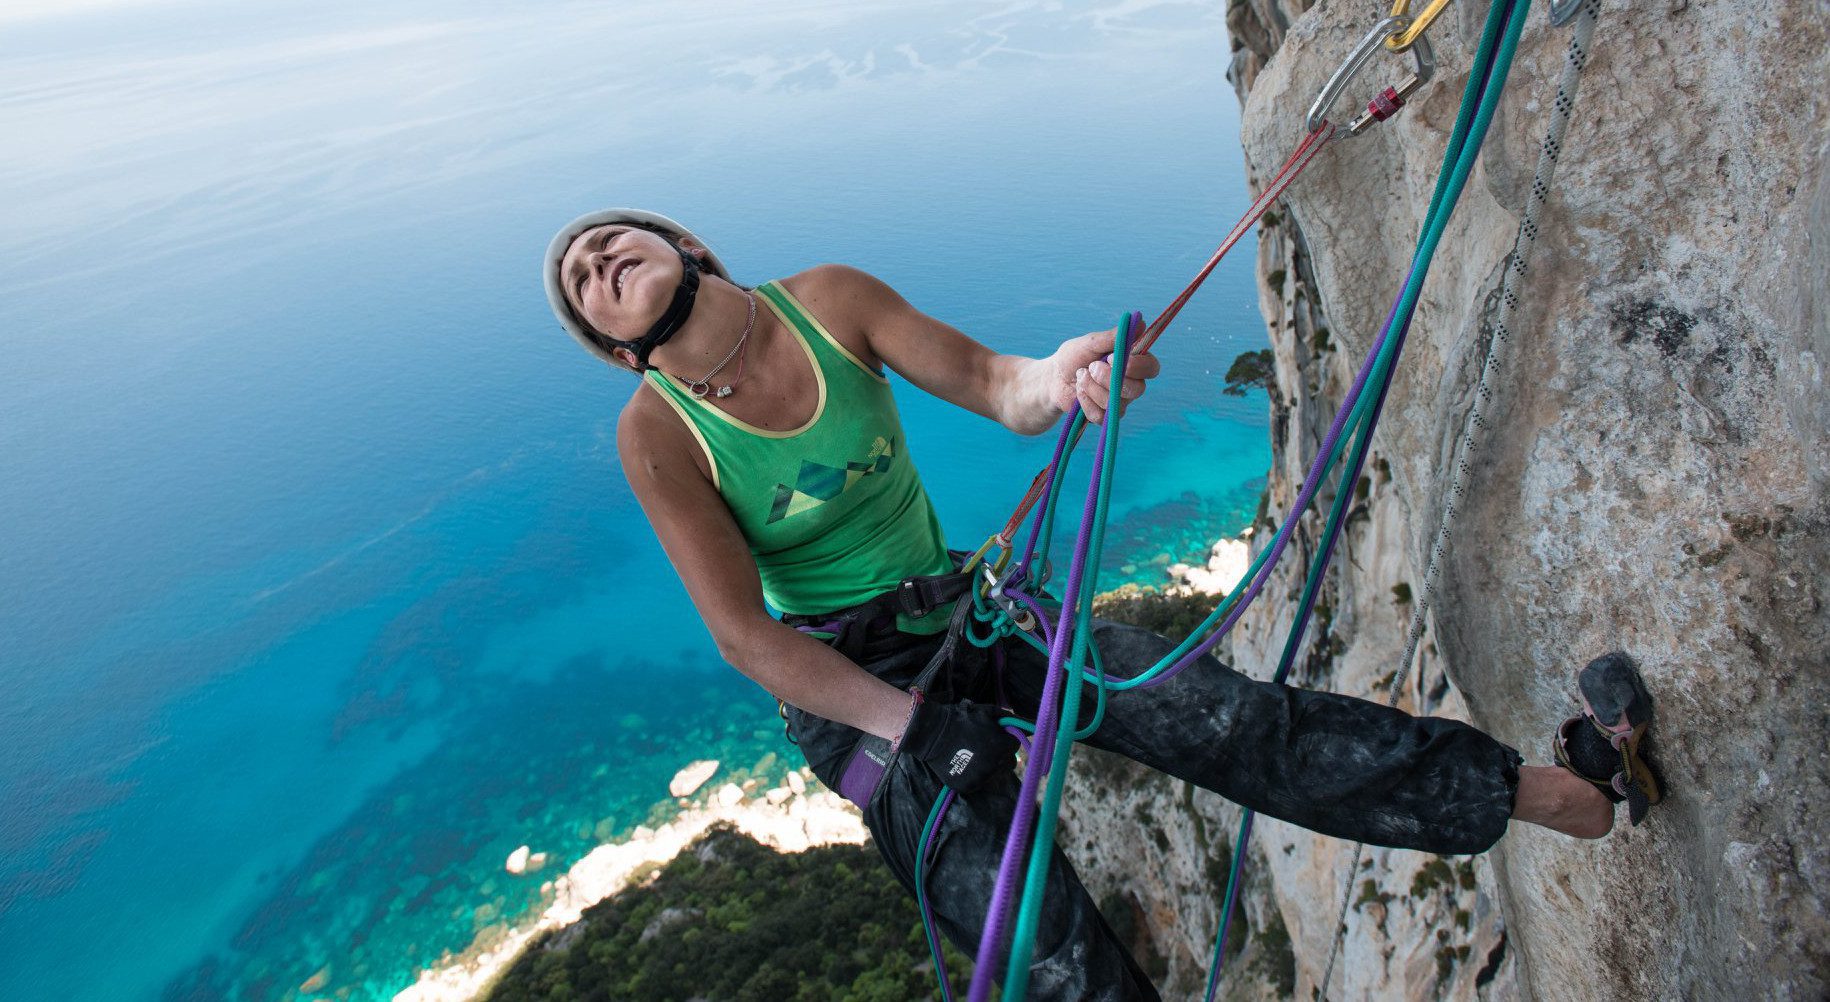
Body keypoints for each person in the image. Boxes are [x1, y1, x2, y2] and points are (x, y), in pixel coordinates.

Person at [541, 209, 1664, 1000]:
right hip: (854, 690)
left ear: (685, 246)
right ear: (615, 349)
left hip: (963, 617)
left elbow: (994, 384)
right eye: (583, 282)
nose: (594, 258)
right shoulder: (661, 436)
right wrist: (913, 726)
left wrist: (1067, 373)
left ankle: (1548, 791)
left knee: (1218, 717)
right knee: (1039, 952)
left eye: (607, 241)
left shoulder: (829, 302)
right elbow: (746, 636)